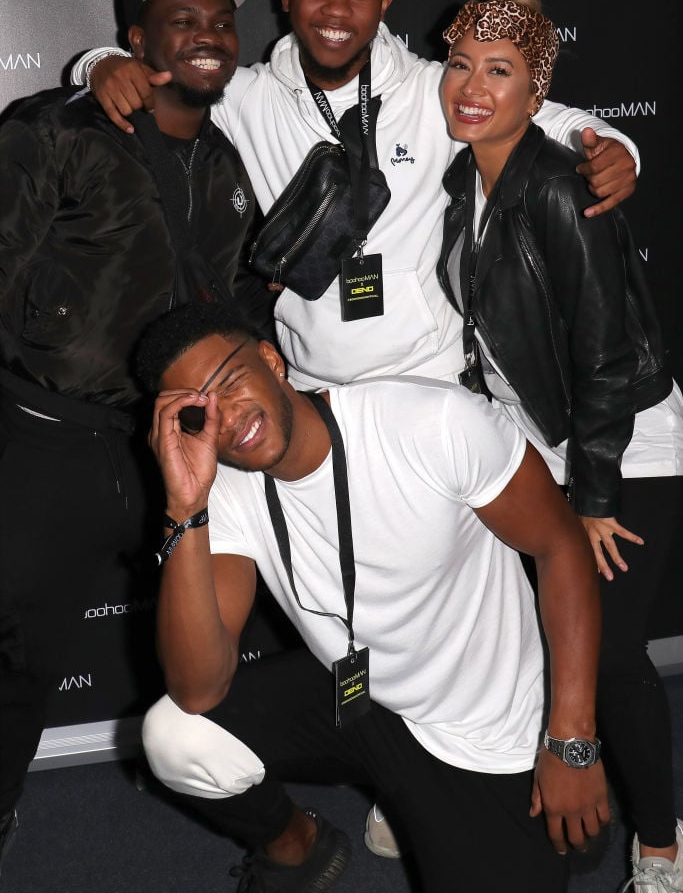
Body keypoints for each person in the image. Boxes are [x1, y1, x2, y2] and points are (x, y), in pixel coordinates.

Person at [135, 298, 608, 893]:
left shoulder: (431, 422)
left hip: (481, 730)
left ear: (271, 362)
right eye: (198, 411)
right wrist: (184, 510)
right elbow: (198, 688)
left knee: (553, 850)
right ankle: (297, 846)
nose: (227, 419)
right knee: (175, 736)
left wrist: (571, 741)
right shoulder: (222, 491)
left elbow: (562, 548)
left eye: (230, 383)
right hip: (360, 698)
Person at [72, 0, 640, 395]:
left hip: (433, 377)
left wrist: (615, 147)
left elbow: (548, 116)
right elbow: (153, 77)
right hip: (314, 384)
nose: (337, 11)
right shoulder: (246, 96)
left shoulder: (435, 89)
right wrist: (97, 64)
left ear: (385, 3)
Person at [0, 0, 265, 869]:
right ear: (135, 40)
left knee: (218, 643)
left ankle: (278, 830)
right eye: (182, 20)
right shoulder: (58, 129)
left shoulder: (224, 160)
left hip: (178, 445)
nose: (208, 35)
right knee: (19, 658)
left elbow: (223, 298)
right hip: (51, 439)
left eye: (221, 21)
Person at [436, 0, 683, 892]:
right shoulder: (460, 177)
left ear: (536, 94)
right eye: (461, 65)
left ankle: (659, 847)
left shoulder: (556, 188)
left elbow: (606, 357)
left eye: (499, 71)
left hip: (623, 444)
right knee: (526, 639)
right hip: (536, 440)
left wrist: (594, 497)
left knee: (607, 654)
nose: (472, 86)